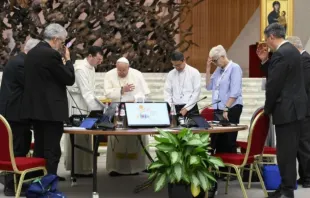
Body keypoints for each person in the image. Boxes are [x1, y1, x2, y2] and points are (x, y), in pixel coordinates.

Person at [257, 23, 307, 198]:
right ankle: (286, 187)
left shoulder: (280, 54)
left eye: (266, 39)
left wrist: (267, 109)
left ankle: (286, 191)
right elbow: (280, 76)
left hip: (286, 109)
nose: (266, 43)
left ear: (271, 37)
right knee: (290, 151)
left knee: (285, 153)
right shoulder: (292, 51)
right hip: (296, 109)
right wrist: (265, 61)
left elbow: (273, 85)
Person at [21, 23, 75, 175]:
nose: (62, 46)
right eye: (62, 42)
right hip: (51, 111)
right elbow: (69, 78)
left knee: (39, 148)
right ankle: (48, 185)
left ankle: (38, 182)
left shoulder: (31, 53)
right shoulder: (51, 54)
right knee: (52, 151)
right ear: (56, 39)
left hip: (35, 110)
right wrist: (68, 60)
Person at [0, 38, 40, 196]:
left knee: (19, 146)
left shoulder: (18, 60)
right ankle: (12, 185)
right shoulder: (22, 64)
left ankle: (16, 182)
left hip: (14, 112)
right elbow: (33, 85)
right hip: (15, 113)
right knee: (17, 149)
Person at [103, 57, 150, 176]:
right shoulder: (109, 75)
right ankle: (116, 168)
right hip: (117, 110)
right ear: (116, 67)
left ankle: (137, 167)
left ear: (128, 68)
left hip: (134, 110)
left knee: (135, 139)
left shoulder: (137, 74)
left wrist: (136, 99)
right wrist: (121, 90)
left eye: (124, 70)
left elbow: (145, 94)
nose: (121, 73)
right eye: (119, 70)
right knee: (118, 139)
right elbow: (107, 93)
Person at [64, 46, 104, 176]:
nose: (100, 62)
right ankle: (78, 169)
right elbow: (85, 92)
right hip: (79, 103)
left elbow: (90, 90)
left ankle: (85, 168)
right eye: (98, 59)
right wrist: (98, 109)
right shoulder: (80, 69)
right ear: (90, 56)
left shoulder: (91, 68)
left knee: (86, 136)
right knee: (79, 134)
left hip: (87, 103)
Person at [206, 45, 243, 154]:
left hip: (231, 108)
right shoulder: (218, 69)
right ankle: (218, 170)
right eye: (213, 61)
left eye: (215, 60)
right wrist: (208, 69)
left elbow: (235, 92)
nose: (215, 63)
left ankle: (229, 169)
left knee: (227, 142)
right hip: (218, 108)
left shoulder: (235, 68)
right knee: (216, 142)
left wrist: (226, 108)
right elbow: (209, 86)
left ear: (222, 56)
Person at [287, 36, 310, 188]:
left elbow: (304, 85)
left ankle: (308, 177)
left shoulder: (306, 61)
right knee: (298, 145)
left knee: (304, 144)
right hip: (298, 110)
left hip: (305, 110)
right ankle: (303, 176)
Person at [164, 51, 201, 118]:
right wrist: (171, 107)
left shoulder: (194, 72)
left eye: (178, 65)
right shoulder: (171, 74)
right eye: (174, 65)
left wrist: (186, 108)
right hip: (175, 109)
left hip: (190, 107)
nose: (177, 67)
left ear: (184, 60)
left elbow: (196, 92)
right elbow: (167, 92)